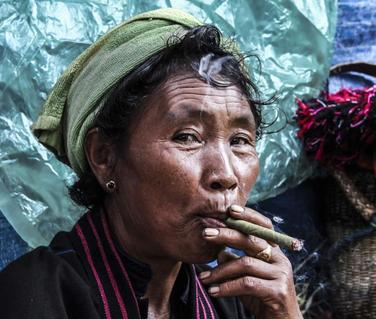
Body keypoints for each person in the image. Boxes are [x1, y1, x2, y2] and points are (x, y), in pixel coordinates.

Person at [0, 8, 302, 319]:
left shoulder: (230, 299)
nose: (225, 175)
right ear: (104, 157)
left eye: (239, 141)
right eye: (187, 137)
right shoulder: (34, 297)